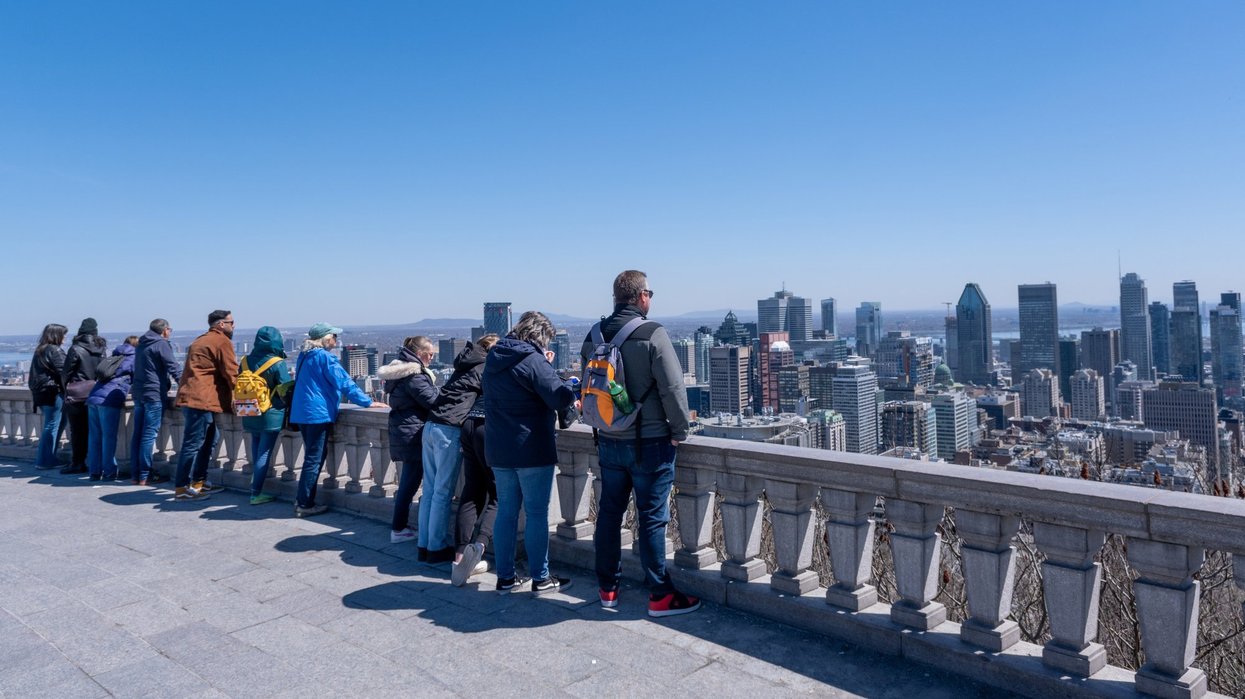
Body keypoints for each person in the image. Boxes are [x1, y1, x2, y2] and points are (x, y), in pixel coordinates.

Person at [581, 270, 699, 617]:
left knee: (608, 515)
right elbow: (673, 388)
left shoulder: (593, 334)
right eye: (650, 292)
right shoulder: (653, 333)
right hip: (650, 443)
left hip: (608, 440)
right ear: (640, 296)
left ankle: (607, 589)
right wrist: (680, 431)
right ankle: (660, 594)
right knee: (650, 518)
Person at [484, 311, 578, 594]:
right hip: (531, 448)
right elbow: (559, 396)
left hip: (499, 448)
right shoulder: (532, 360)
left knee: (506, 514)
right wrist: (567, 382)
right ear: (539, 336)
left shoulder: (494, 356)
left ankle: (505, 577)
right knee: (536, 514)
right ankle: (540, 577)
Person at [289, 323, 387, 518]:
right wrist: (367, 402)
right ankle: (304, 503)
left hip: (302, 412)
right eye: (334, 336)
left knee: (312, 456)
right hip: (317, 413)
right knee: (313, 459)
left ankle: (302, 498)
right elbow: (344, 382)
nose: (336, 340)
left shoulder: (304, 356)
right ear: (325, 339)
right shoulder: (325, 357)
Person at [420, 336, 493, 564]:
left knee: (430, 491)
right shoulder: (485, 366)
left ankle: (424, 545)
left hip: (431, 425)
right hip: (450, 429)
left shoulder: (465, 363)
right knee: (442, 492)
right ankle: (436, 547)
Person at [377, 336, 438, 547]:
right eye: (430, 355)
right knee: (410, 483)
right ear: (420, 354)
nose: (431, 358)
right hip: (414, 432)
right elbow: (432, 401)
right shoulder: (414, 375)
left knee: (408, 482)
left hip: (404, 430)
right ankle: (399, 528)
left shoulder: (400, 373)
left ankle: (399, 526)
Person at [172, 310, 238, 501]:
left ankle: (199, 482)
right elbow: (231, 372)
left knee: (208, 440)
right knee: (193, 444)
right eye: (231, 322)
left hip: (193, 398)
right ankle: (182, 488)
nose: (234, 326)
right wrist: (245, 396)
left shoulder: (200, 340)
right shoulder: (221, 341)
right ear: (221, 324)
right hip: (201, 400)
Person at [451, 334, 500, 586]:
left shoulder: (467, 362)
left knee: (471, 491)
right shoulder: (493, 364)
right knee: (498, 493)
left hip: (468, 424)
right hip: (488, 426)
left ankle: (460, 556)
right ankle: (479, 546)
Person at [240, 326, 292, 505]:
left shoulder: (245, 360)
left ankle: (255, 485)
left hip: (248, 410)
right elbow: (285, 388)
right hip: (270, 413)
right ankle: (256, 492)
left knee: (256, 448)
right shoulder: (277, 362)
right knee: (264, 452)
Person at [130, 318, 182, 485]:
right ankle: (145, 474)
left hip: (139, 393)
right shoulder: (161, 344)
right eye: (170, 330)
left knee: (138, 434)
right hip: (153, 394)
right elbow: (173, 367)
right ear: (165, 330)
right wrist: (184, 385)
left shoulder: (141, 344)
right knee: (148, 435)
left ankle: (135, 474)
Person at [85, 337, 138, 481]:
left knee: (95, 437)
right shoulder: (134, 358)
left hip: (94, 397)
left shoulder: (115, 355)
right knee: (109, 437)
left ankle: (94, 471)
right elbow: (138, 380)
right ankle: (109, 471)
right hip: (109, 400)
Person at [60, 318, 107, 475]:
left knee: (77, 431)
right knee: (95, 430)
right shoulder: (101, 348)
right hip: (96, 393)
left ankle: (78, 462)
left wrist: (67, 387)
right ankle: (96, 462)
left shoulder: (76, 348)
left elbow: (65, 373)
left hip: (77, 395)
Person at [29, 324, 68, 470]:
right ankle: (45, 460)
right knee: (52, 425)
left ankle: (48, 457)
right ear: (56, 335)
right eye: (63, 334)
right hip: (53, 392)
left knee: (54, 424)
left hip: (41, 393)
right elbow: (64, 371)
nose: (65, 337)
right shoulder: (54, 350)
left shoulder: (40, 349)